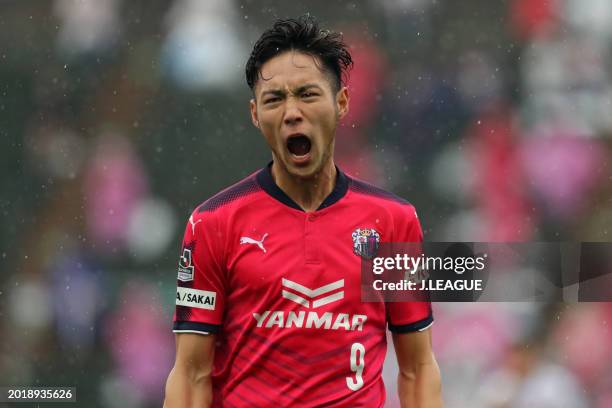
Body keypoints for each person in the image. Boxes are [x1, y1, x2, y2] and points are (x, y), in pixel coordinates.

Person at [164, 15, 442, 408]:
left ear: (341, 102)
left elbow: (417, 368)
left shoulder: (392, 222)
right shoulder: (213, 224)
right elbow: (191, 375)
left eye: (307, 94)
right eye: (274, 99)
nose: (292, 111)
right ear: (255, 114)